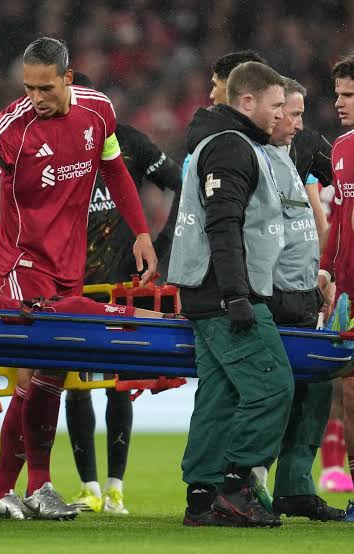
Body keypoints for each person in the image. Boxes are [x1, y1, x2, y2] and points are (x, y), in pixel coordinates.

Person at [0, 37, 157, 520]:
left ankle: (24, 489)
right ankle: (15, 488)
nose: (35, 97)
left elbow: (116, 172)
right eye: (29, 88)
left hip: (69, 264)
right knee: (32, 371)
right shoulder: (13, 125)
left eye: (46, 88)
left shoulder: (98, 111)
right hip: (22, 261)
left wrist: (141, 232)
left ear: (67, 79)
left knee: (51, 375)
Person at [167, 61, 293, 528]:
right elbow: (224, 224)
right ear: (247, 101)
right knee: (273, 386)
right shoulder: (231, 147)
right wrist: (237, 296)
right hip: (225, 294)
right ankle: (236, 488)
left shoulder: (222, 142)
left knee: (219, 396)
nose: (280, 114)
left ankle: (202, 496)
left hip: (206, 290)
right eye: (275, 105)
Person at [65, 72, 182, 514]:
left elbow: (180, 184)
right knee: (76, 386)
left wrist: (160, 244)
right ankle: (90, 488)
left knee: (119, 385)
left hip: (121, 289)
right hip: (72, 286)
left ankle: (114, 488)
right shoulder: (55, 145)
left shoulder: (127, 141)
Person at [263, 77, 344, 522]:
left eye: (298, 113)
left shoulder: (309, 148)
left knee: (314, 384)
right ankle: (241, 484)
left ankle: (295, 487)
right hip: (264, 292)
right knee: (266, 390)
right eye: (290, 113)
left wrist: (325, 274)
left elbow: (328, 212)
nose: (296, 123)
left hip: (304, 291)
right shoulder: (243, 152)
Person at [318, 53, 354, 520]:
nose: (339, 102)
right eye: (339, 94)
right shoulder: (341, 149)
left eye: (349, 95)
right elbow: (341, 220)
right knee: (348, 393)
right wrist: (326, 270)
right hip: (348, 291)